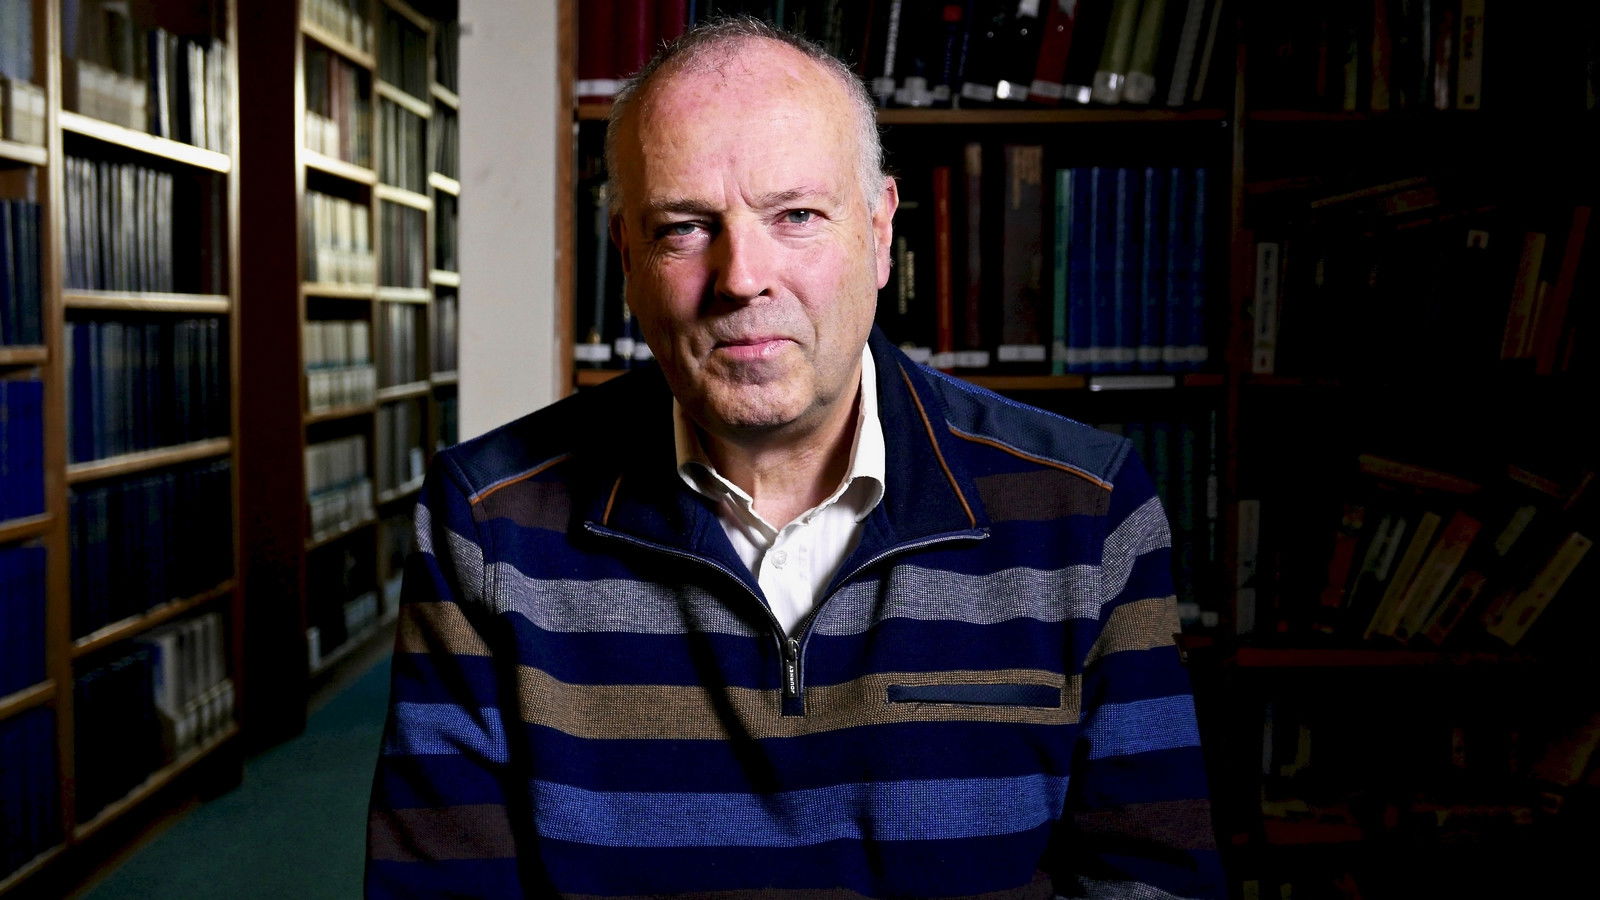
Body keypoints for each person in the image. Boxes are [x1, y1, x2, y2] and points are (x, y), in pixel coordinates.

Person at [366, 16, 1223, 899]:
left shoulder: (1085, 509)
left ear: (882, 233)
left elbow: (1154, 884)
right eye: (684, 228)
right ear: (626, 257)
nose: (742, 277)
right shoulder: (486, 527)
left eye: (797, 216)